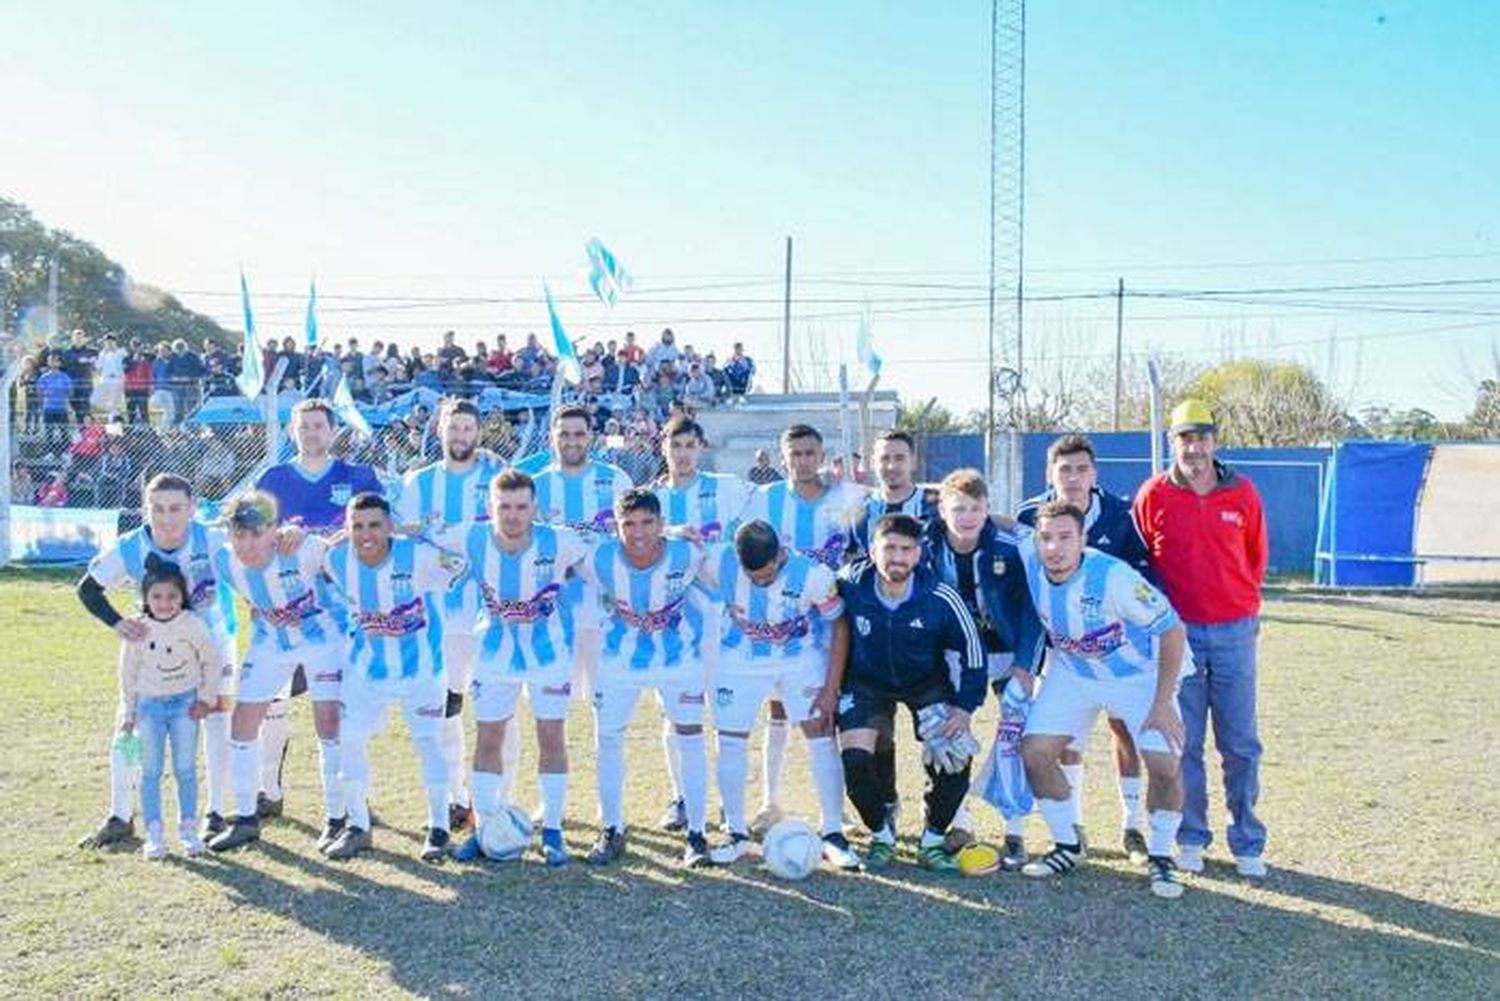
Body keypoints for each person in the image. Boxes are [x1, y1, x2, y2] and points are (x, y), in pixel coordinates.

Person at [1013, 500, 1191, 899]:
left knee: (1164, 764)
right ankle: (1068, 844)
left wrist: (1162, 702)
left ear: (1083, 539)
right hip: (1074, 672)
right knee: (1035, 752)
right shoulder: (1030, 555)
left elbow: (1172, 630)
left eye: (1065, 538)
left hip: (1139, 676)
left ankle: (1162, 855)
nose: (1054, 548)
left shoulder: (1113, 576)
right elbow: (999, 521)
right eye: (1046, 538)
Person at [1133, 399, 1269, 878]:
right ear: (1173, 442)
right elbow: (1143, 567)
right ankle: (1192, 837)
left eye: (1202, 436)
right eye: (1184, 438)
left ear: (1215, 440)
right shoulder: (1153, 495)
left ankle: (1248, 840)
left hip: (1234, 631)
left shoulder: (1243, 493)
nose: (1194, 447)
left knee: (1240, 743)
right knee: (1182, 742)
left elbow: (1255, 559)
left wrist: (1238, 607)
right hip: (1177, 638)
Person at [76, 474, 239, 847]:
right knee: (128, 726)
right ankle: (119, 816)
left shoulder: (212, 539)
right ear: (146, 508)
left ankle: (213, 814)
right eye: (158, 508)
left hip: (212, 643)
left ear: (192, 507)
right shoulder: (130, 547)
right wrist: (118, 623)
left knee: (215, 722)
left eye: (176, 508)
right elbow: (87, 589)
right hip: (151, 652)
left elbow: (252, 569)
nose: (167, 518)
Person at [1017, 433, 1155, 861]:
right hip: (1062, 647)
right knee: (1066, 738)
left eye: (1081, 469)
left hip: (1116, 647)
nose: (1073, 477)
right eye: (1064, 469)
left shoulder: (1121, 515)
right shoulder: (1030, 516)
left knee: (1123, 732)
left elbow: (1146, 578)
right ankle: (1073, 829)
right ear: (1049, 473)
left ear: (1094, 473)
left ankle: (1132, 824)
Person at [445, 470, 590, 866]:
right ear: (490, 507)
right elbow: (408, 534)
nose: (512, 515)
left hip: (550, 653)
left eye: (520, 507)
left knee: (551, 736)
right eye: (503, 507)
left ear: (534, 508)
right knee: (488, 738)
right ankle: (484, 827)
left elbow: (612, 546)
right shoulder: (470, 537)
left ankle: (554, 830)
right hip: (494, 652)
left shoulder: (560, 541)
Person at [827, 514, 986, 870]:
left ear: (918, 554)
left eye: (906, 549)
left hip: (926, 685)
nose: (897, 557)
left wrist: (964, 708)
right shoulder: (851, 583)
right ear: (871, 551)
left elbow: (974, 653)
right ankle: (881, 833)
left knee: (955, 755)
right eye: (889, 548)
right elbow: (819, 601)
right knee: (855, 760)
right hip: (866, 683)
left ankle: (932, 840)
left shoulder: (941, 597)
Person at [701, 521, 862, 870]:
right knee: (729, 739)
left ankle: (833, 833)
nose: (759, 580)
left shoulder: (814, 575)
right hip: (739, 658)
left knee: (820, 733)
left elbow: (839, 623)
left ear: (781, 555)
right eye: (751, 574)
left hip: (799, 660)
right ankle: (736, 834)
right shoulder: (717, 560)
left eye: (767, 572)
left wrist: (831, 688)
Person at [320, 493, 469, 861]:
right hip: (365, 670)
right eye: (357, 526)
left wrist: (420, 535)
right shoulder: (337, 559)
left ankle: (438, 829)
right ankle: (358, 826)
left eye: (375, 525)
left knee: (428, 744)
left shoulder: (415, 555)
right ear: (347, 529)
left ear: (389, 526)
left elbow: (459, 564)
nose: (366, 534)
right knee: (349, 740)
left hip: (421, 670)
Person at [253, 398, 384, 816]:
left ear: (333, 431)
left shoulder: (358, 477)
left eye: (318, 426)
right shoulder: (274, 478)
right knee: (272, 702)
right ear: (293, 432)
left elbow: (381, 530)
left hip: (343, 612)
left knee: (342, 710)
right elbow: (251, 536)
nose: (311, 433)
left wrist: (336, 540)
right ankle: (268, 792)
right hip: (285, 612)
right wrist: (281, 532)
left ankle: (352, 797)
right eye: (303, 426)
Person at [739, 424, 868, 834]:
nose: (802, 461)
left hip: (833, 621)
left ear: (822, 454)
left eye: (809, 453)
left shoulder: (845, 499)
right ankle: (770, 801)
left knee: (827, 711)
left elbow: (863, 550)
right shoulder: (765, 500)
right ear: (782, 458)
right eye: (794, 454)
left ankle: (837, 809)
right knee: (777, 709)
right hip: (783, 626)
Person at [205, 493, 347, 854]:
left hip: (324, 638)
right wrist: (257, 606)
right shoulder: (224, 560)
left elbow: (348, 568)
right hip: (272, 641)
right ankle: (246, 819)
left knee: (328, 721)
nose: (247, 545)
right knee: (243, 721)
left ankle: (336, 818)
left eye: (256, 534)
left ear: (273, 530)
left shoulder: (303, 549)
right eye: (240, 535)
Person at [578, 489, 713, 869]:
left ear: (661, 523)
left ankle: (697, 834)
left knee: (690, 736)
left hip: (678, 660)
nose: (638, 533)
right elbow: (559, 548)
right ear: (615, 527)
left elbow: (721, 567)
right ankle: (612, 828)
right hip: (618, 662)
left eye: (647, 523)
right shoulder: (599, 556)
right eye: (628, 524)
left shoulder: (687, 552)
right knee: (607, 740)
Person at [394, 398, 511, 831]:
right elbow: (400, 537)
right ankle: (455, 799)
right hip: (435, 617)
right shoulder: (416, 483)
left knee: (496, 707)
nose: (460, 435)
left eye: (467, 428)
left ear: (477, 433)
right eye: (453, 427)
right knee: (445, 706)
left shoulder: (497, 479)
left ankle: (498, 802)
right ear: (439, 431)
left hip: (490, 612)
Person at [925, 469, 1044, 864]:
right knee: (948, 731)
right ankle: (956, 821)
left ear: (988, 509)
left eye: (976, 508)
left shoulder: (1010, 546)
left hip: (1006, 652)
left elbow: (1032, 609)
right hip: (956, 655)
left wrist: (1026, 667)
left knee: (1016, 732)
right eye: (958, 507)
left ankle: (1015, 829)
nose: (967, 516)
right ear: (942, 509)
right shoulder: (925, 546)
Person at [650, 415, 754, 831]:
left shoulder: (726, 488)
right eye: (676, 446)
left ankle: (730, 805)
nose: (683, 454)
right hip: (671, 625)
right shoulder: (651, 497)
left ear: (701, 447)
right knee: (675, 715)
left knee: (726, 712)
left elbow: (755, 529)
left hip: (724, 620)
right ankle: (680, 797)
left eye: (690, 445)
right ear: (664, 447)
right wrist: (670, 531)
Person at [116, 556, 221, 859]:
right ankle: (154, 834)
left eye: (172, 596)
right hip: (149, 708)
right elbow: (128, 674)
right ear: (145, 598)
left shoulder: (191, 625)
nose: (165, 603)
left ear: (183, 597)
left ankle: (188, 831)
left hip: (185, 706)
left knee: (185, 769)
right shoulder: (138, 630)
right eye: (157, 596)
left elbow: (211, 660)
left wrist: (206, 698)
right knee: (151, 771)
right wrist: (129, 713)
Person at [850, 429, 938, 557]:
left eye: (899, 458)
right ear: (873, 463)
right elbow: (847, 556)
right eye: (885, 458)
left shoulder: (934, 506)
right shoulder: (859, 509)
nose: (891, 466)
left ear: (913, 462)